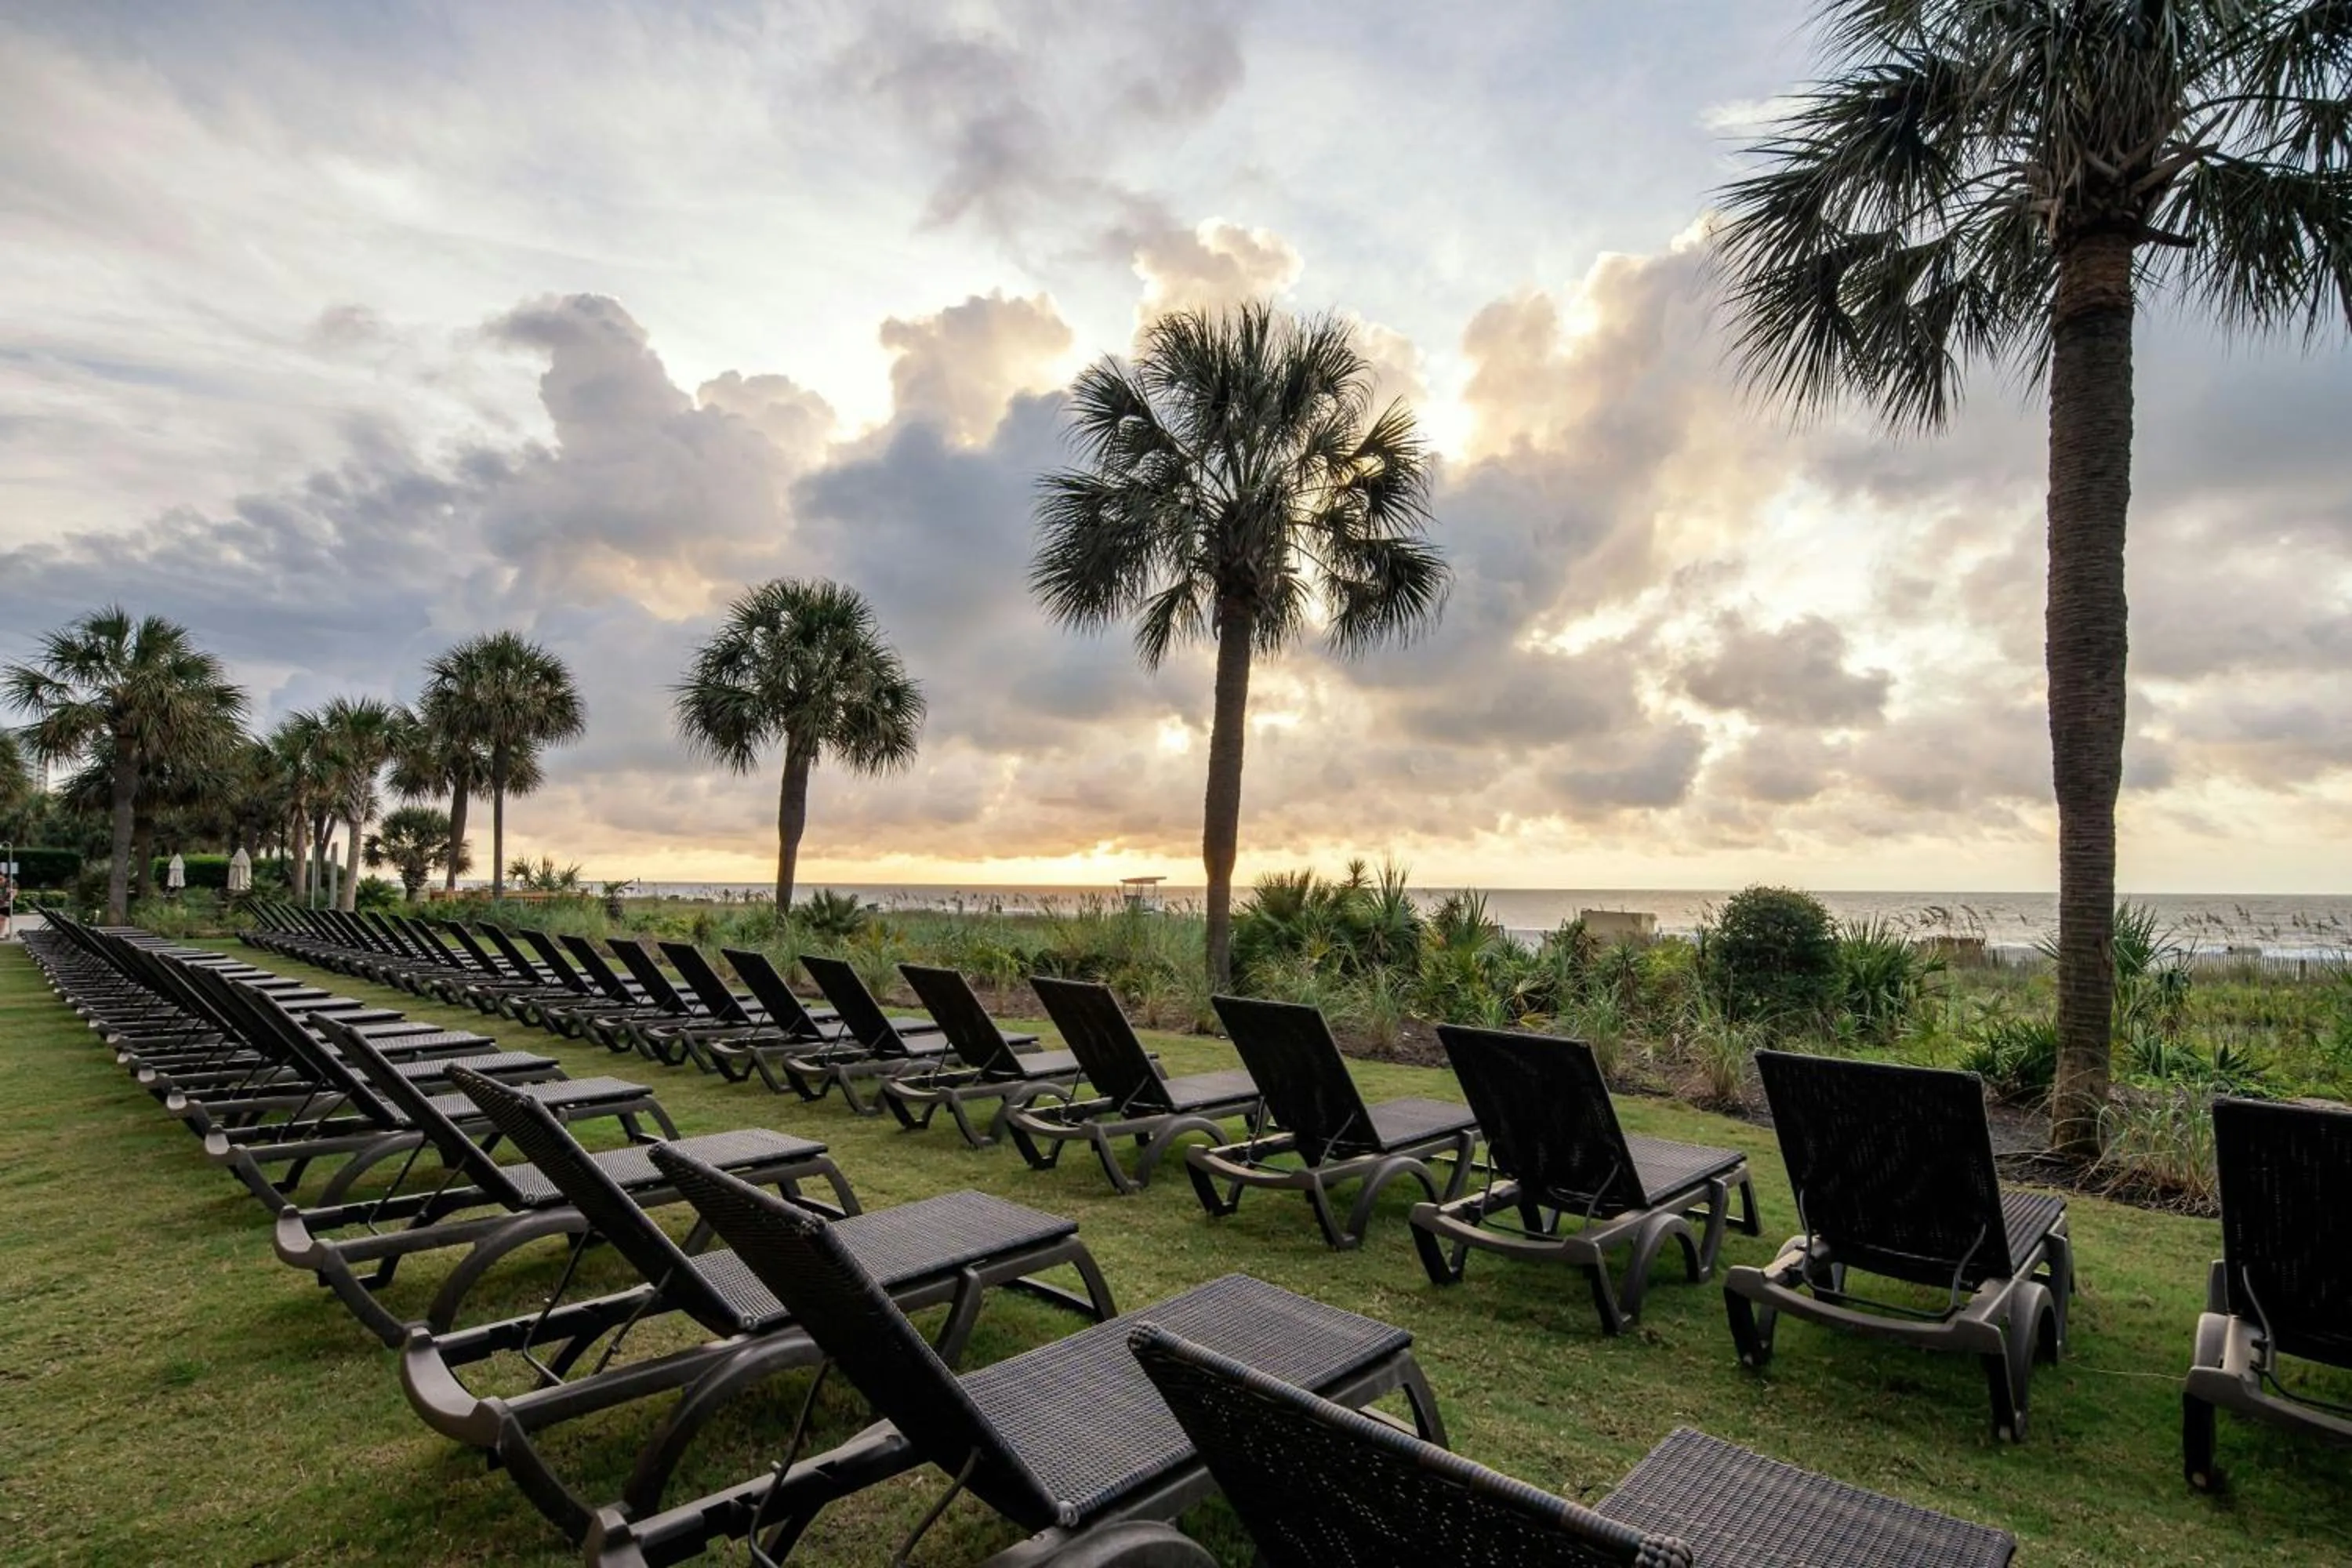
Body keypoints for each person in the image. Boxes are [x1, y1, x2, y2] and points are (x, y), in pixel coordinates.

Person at [1, 873, 16, 940]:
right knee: (2, 919)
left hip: (5, 904)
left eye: (1, 879)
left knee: (2, 919)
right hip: (2, 903)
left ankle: (1, 933)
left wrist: (10, 896)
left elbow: (13, 894)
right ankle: (1, 933)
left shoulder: (10, 883)